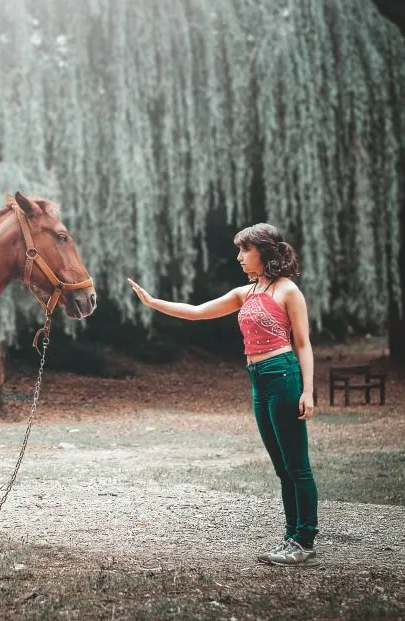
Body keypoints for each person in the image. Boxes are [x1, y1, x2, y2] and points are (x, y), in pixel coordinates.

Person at [127, 223, 318, 566]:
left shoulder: (288, 291)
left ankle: (304, 540)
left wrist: (308, 390)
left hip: (283, 375)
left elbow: (303, 344)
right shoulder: (245, 293)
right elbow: (198, 312)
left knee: (297, 467)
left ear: (265, 251)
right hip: (259, 380)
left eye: (245, 250)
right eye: (240, 250)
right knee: (281, 467)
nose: (240, 257)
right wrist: (153, 302)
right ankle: (290, 538)